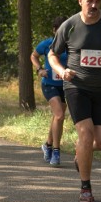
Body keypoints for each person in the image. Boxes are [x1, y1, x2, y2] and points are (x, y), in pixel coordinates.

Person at [48, 0, 101, 202]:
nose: (93, 5)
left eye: (97, 1)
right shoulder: (69, 25)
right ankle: (85, 187)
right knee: (86, 132)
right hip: (76, 87)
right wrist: (62, 71)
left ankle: (81, 153)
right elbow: (52, 55)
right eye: (89, 1)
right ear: (80, 0)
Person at [30, 16, 68, 167]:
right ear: (54, 30)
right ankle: (56, 152)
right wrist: (39, 69)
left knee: (57, 117)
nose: (62, 34)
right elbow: (33, 56)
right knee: (59, 115)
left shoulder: (72, 45)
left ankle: (47, 144)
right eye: (59, 30)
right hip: (49, 84)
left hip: (65, 85)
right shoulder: (47, 44)